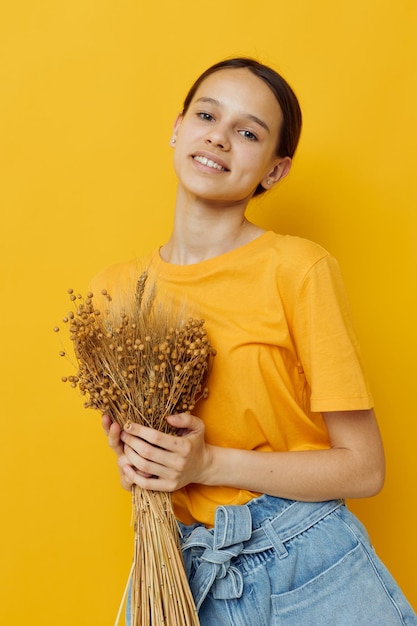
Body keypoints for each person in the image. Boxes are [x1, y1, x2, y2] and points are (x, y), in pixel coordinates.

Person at [95, 58, 416, 624]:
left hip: (305, 562)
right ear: (177, 128)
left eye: (248, 133)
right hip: (183, 569)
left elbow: (365, 469)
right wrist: (144, 463)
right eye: (206, 115)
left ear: (274, 170)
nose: (219, 136)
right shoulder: (116, 291)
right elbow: (150, 456)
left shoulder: (297, 269)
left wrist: (207, 462)